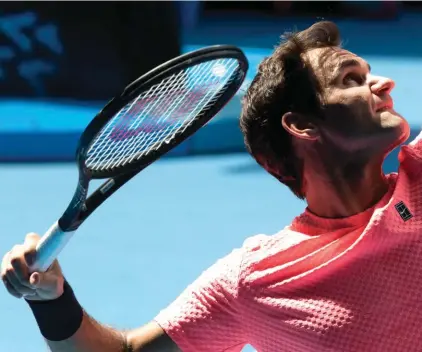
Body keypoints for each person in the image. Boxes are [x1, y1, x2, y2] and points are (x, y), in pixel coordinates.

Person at [1, 20, 421, 351]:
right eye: (350, 79)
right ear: (302, 125)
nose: (384, 83)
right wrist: (52, 301)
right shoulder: (256, 280)